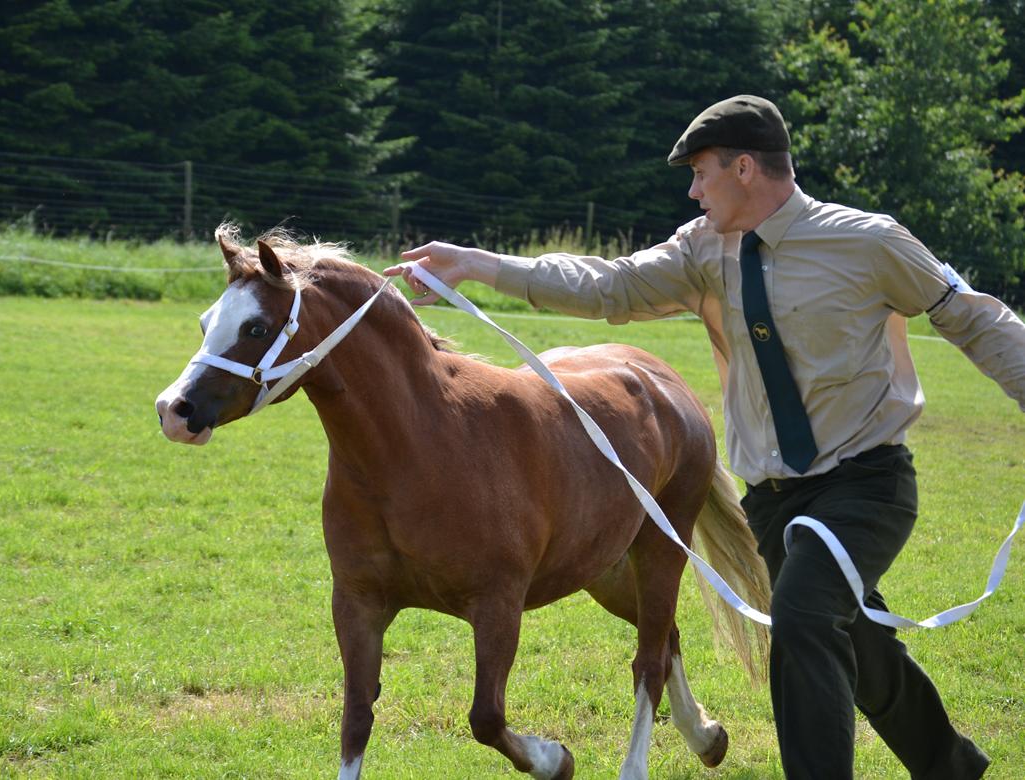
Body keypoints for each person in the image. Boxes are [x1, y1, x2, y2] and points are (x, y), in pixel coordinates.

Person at [384, 95, 1025, 778]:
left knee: (805, 620)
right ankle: (950, 765)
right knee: (857, 643)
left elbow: (974, 318)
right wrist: (479, 264)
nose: (692, 190)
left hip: (865, 485)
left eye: (701, 174)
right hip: (773, 502)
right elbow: (609, 285)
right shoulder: (702, 249)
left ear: (745, 168)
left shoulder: (869, 242)